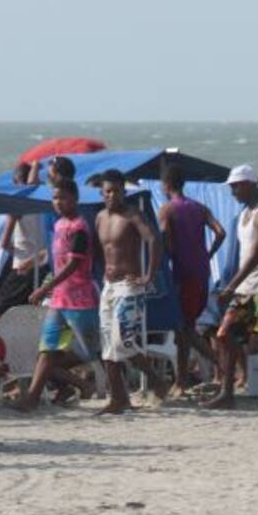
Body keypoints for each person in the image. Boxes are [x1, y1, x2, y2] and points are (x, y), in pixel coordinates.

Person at [204, 165, 258, 410]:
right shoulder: (244, 214)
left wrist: (230, 286)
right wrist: (234, 285)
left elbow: (256, 255)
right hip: (246, 287)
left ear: (252, 185)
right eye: (232, 187)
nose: (233, 192)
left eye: (237, 187)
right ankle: (227, 392)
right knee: (225, 335)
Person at [16, 178, 101, 411]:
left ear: (75, 198)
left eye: (63, 197)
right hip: (59, 299)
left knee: (91, 351)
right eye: (54, 198)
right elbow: (55, 258)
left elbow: (73, 265)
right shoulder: (59, 225)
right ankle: (32, 399)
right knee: (46, 349)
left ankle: (86, 384)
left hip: (80, 300)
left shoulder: (79, 227)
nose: (58, 202)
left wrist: (44, 288)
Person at [95, 169, 169, 414]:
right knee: (108, 346)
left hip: (129, 287)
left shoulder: (132, 214)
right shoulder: (99, 218)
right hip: (108, 286)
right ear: (102, 193)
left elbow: (153, 239)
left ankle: (156, 380)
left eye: (116, 191)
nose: (112, 195)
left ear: (124, 192)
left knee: (122, 341)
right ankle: (119, 399)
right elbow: (102, 252)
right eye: (108, 191)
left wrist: (148, 276)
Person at [157, 165, 226, 395]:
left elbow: (164, 237)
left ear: (166, 185)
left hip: (183, 273)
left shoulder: (167, 209)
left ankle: (222, 365)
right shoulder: (199, 207)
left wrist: (166, 256)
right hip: (202, 272)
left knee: (185, 330)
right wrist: (209, 253)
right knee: (184, 329)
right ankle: (182, 380)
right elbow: (221, 232)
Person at [0, 162, 49, 329]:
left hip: (22, 265)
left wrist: (15, 251)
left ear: (16, 181)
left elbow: (4, 243)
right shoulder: (44, 201)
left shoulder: (17, 204)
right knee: (24, 309)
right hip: (42, 265)